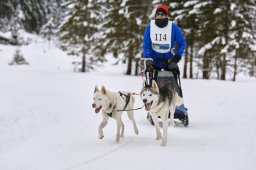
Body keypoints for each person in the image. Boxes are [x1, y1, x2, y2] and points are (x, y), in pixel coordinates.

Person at [142, 4, 189, 126]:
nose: (160, 15)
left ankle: (179, 107)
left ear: (166, 15)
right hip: (154, 60)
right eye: (159, 13)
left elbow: (182, 42)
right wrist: (148, 59)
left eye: (163, 14)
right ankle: (153, 107)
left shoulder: (173, 27)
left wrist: (176, 58)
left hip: (168, 59)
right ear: (156, 15)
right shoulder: (150, 27)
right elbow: (146, 45)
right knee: (152, 83)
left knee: (173, 81)